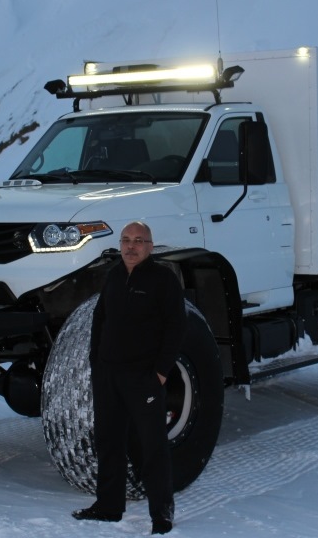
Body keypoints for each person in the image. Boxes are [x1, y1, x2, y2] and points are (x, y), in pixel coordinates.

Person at [72, 220, 186, 535]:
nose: (131, 246)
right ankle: (108, 507)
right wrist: (97, 363)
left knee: (152, 447)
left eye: (138, 240)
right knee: (109, 442)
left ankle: (161, 514)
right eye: (126, 240)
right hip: (108, 375)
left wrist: (161, 373)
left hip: (144, 377)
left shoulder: (163, 280)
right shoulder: (114, 276)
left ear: (150, 246)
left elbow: (176, 327)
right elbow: (100, 319)